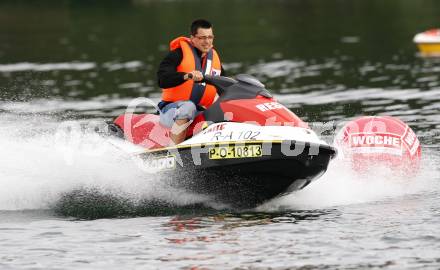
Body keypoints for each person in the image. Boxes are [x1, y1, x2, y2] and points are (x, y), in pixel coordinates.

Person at [157, 19, 225, 145]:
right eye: (202, 38)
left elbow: (225, 85)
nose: (207, 41)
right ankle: (173, 152)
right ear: (192, 38)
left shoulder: (214, 59)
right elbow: (162, 79)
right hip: (171, 110)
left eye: (210, 37)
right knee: (189, 107)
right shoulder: (178, 54)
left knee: (223, 111)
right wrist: (187, 76)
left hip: (199, 111)